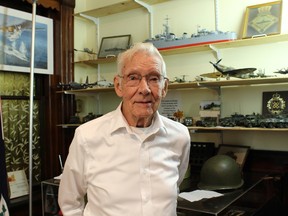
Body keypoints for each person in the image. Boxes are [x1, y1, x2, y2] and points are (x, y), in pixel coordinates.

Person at [58, 42, 191, 216]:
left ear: (164, 87)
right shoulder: (87, 136)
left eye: (153, 78)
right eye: (133, 78)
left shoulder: (180, 136)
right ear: (118, 86)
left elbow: (176, 183)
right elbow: (70, 203)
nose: (144, 89)